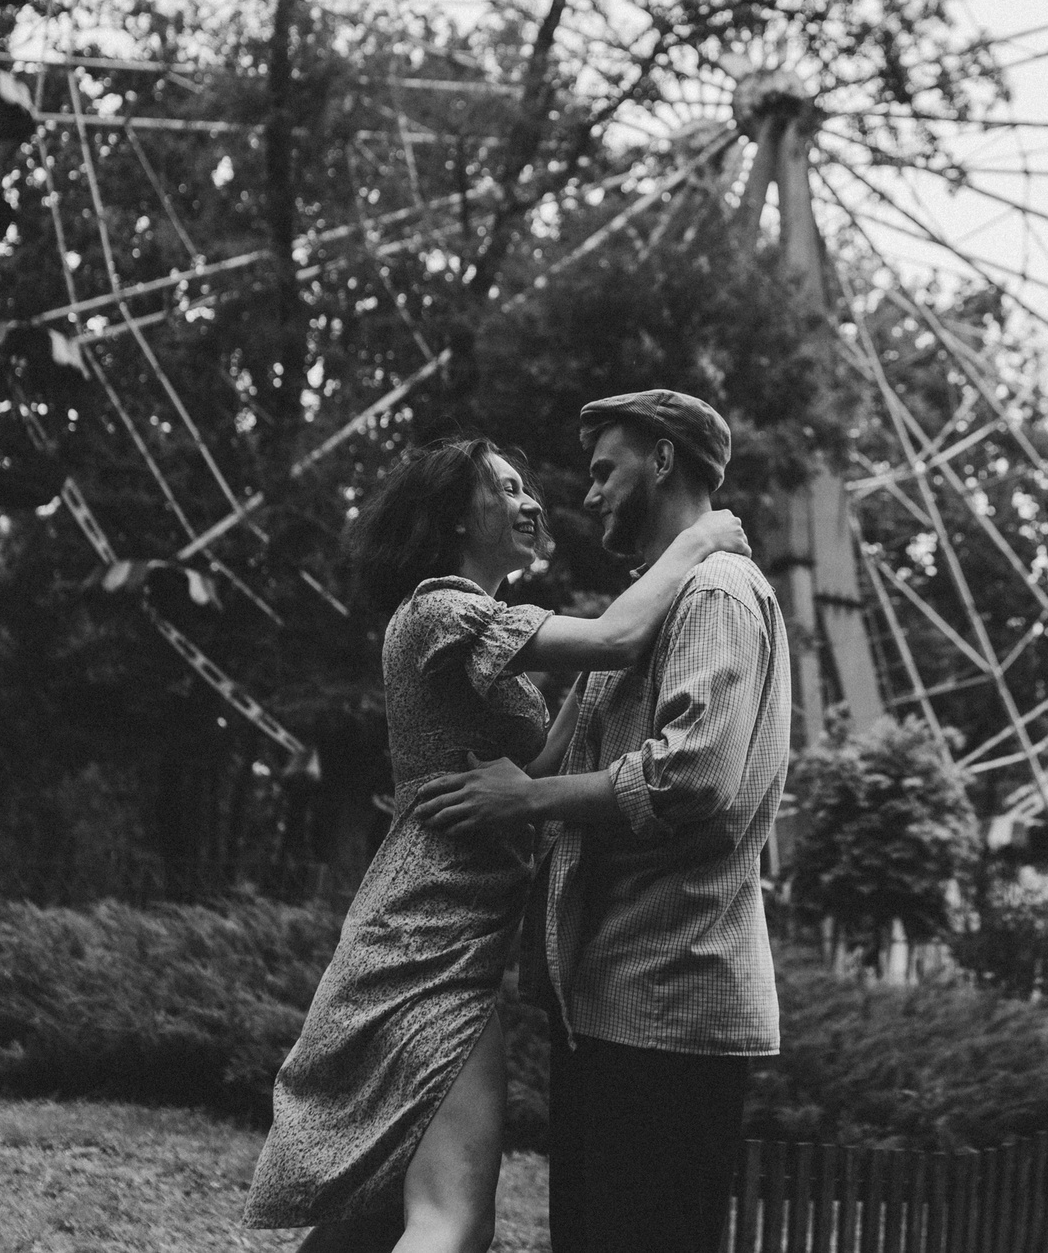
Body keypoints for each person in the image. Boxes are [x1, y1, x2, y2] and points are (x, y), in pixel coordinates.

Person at [244, 435, 750, 1253]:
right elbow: (615, 639)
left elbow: (536, 768)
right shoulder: (441, 609)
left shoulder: (483, 634)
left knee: (374, 1214)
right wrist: (698, 539)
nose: (533, 502)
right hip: (431, 932)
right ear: (452, 517)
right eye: (506, 488)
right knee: (455, 1217)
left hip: (459, 927)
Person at [412, 391, 791, 1253]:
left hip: (671, 998)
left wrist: (528, 801)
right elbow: (556, 750)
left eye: (604, 470)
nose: (586, 495)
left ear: (662, 461)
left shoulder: (715, 596)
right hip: (615, 998)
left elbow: (695, 775)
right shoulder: (656, 604)